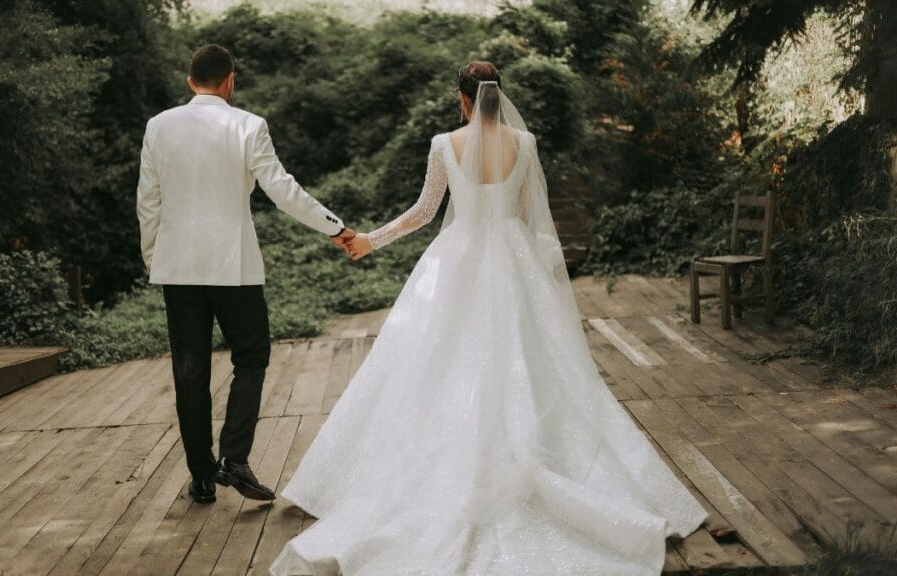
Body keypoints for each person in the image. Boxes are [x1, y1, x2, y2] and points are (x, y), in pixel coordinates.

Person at [270, 61, 709, 575]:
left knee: (435, 363)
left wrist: (370, 239)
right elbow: (526, 214)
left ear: (463, 99)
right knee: (528, 361)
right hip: (513, 258)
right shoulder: (525, 145)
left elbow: (424, 211)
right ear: (500, 98)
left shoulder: (443, 144)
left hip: (457, 259)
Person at [136, 44, 354, 505]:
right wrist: (334, 228)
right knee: (251, 358)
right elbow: (282, 190)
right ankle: (234, 458)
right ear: (230, 81)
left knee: (189, 372)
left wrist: (155, 259)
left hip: (179, 269)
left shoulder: (159, 126)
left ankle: (200, 475)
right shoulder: (248, 126)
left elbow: (147, 202)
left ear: (190, 80)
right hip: (234, 268)